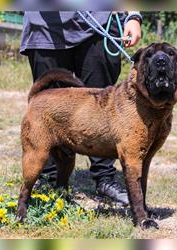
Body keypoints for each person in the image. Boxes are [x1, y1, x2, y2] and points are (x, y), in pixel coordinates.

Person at [20, 11, 142, 205]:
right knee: (48, 113)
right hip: (45, 30)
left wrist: (133, 17)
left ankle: (105, 178)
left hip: (97, 25)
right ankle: (49, 181)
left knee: (104, 110)